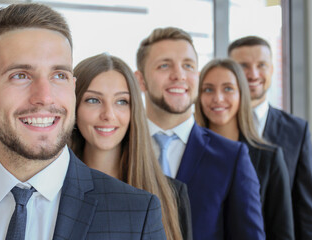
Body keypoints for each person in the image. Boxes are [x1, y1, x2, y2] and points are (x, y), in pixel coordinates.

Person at [0, 4, 166, 240]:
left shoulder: (137, 215)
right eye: (20, 75)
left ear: (72, 88)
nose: (45, 97)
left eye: (59, 75)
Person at [134, 27, 265, 240]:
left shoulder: (231, 157)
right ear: (140, 80)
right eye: (164, 65)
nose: (179, 75)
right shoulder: (122, 149)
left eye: (188, 65)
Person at [70, 53, 192, 240]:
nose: (108, 115)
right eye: (93, 100)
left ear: (133, 110)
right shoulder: (52, 188)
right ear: (74, 106)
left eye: (121, 101)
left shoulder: (172, 193)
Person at [228, 36, 312, 239]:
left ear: (272, 69)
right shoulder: (215, 127)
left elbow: (307, 210)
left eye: (261, 65)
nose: (253, 74)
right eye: (243, 66)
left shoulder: (296, 130)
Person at [195, 58, 294, 239]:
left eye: (228, 89)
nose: (218, 98)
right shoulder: (188, 152)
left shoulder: (269, 158)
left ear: (242, 94)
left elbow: (282, 232)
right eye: (208, 89)